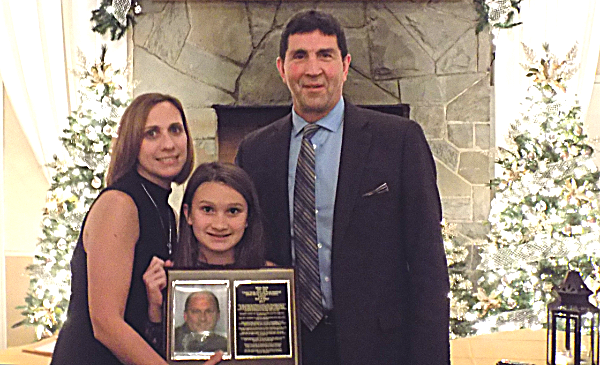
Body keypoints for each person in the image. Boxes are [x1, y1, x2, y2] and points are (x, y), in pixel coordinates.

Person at [235, 10, 450, 365]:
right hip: (285, 346)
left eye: (325, 55)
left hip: (378, 347)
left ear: (345, 65)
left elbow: (428, 263)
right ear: (282, 68)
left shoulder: (398, 141)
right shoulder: (254, 151)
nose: (313, 69)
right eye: (299, 56)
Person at [51, 93, 194, 365]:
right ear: (132, 144)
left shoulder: (167, 212)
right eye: (151, 134)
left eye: (175, 130)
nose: (168, 144)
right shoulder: (120, 204)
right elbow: (106, 323)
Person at [142, 162, 267, 358]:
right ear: (188, 214)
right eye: (207, 209)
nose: (219, 224)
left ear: (248, 218)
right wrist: (154, 308)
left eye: (233, 211)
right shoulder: (165, 279)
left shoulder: (272, 279)